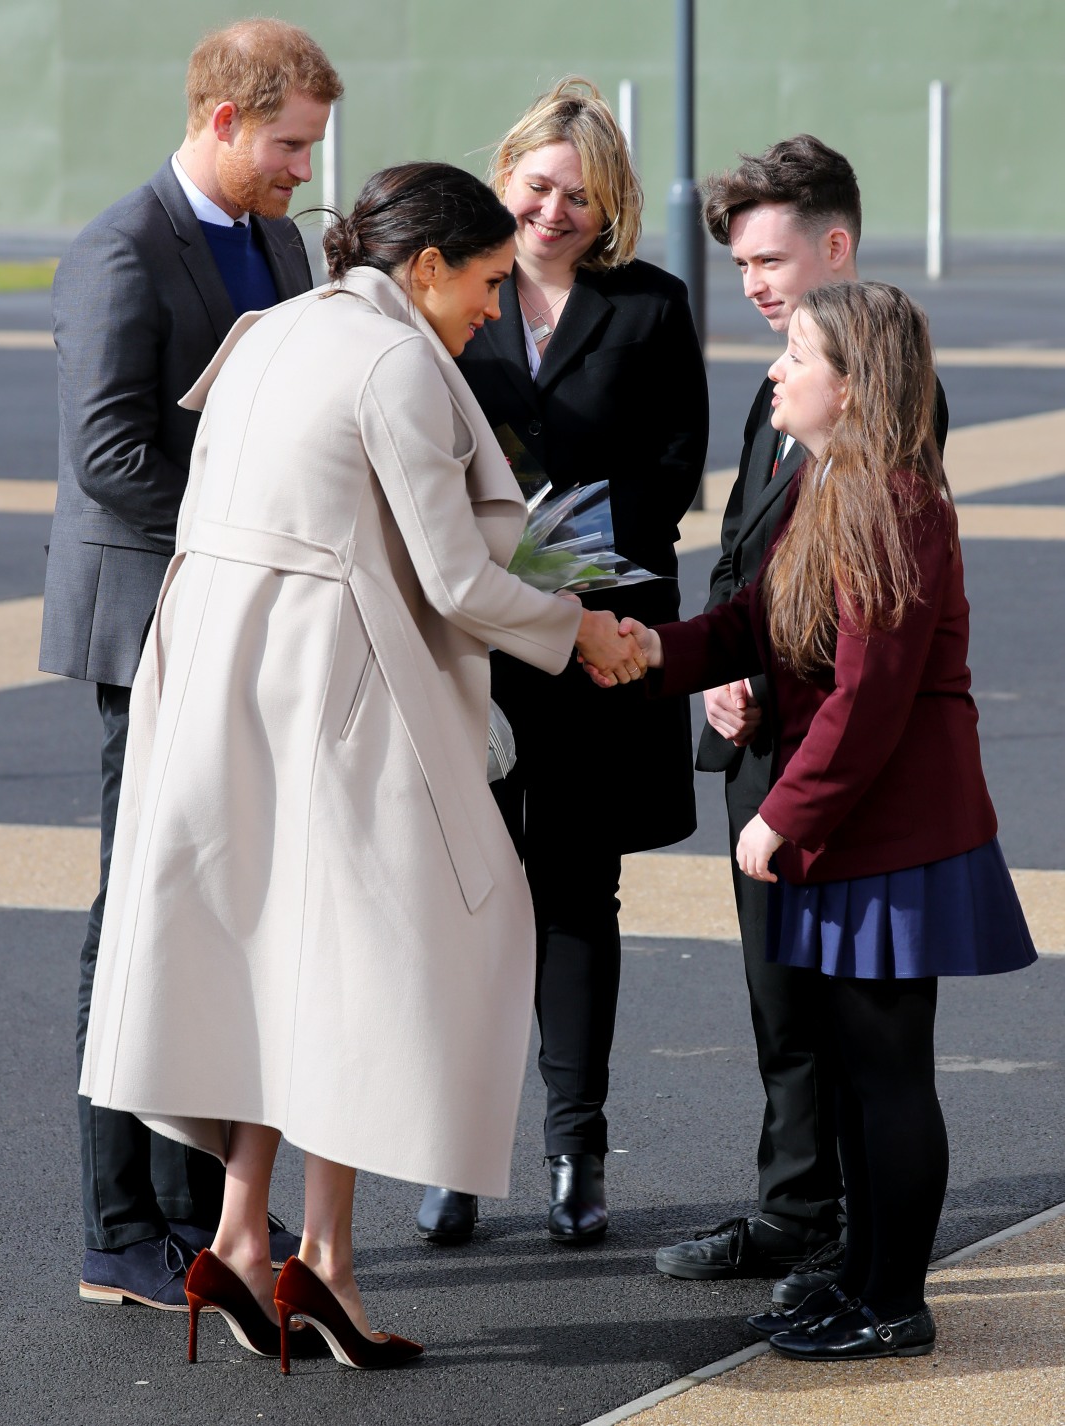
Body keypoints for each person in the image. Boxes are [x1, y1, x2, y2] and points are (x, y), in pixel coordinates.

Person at [79, 161, 647, 1369]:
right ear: (426, 264)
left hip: (224, 686)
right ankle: (320, 1261)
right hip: (338, 689)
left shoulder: (269, 330)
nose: (495, 307)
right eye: (487, 281)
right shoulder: (395, 361)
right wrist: (582, 629)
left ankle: (241, 1238)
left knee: (275, 962)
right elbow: (451, 577)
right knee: (378, 961)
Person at [608, 280, 1036, 1360]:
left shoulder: (890, 496)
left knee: (886, 1070)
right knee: (853, 1069)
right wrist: (657, 650)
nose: (771, 370)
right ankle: (853, 1275)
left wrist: (781, 816)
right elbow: (759, 618)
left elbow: (869, 693)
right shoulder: (832, 481)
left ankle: (893, 1301)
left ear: (847, 385)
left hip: (892, 836)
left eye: (793, 354)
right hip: (855, 831)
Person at [39, 18, 342, 1309]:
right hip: (152, 622)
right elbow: (109, 452)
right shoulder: (119, 248)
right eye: (287, 146)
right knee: (138, 922)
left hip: (241, 625)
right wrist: (252, 536)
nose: (301, 172)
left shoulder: (277, 240)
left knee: (218, 920)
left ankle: (196, 1210)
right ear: (222, 119)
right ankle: (120, 1228)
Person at [654, 135, 949, 1306]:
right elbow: (747, 562)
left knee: (863, 1044)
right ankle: (800, 1214)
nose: (755, 283)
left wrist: (764, 684)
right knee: (781, 1007)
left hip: (839, 767)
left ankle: (864, 1269)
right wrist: (704, 665)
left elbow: (872, 624)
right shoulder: (779, 383)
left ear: (836, 246)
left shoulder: (880, 403)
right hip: (761, 738)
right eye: (738, 264)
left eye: (771, 258)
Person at [414, 78, 708, 1246]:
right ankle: (449, 1153)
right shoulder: (444, 297)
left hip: (597, 637)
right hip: (472, 643)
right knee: (461, 900)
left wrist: (566, 560)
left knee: (578, 898)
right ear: (504, 178)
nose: (551, 212)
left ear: (611, 206)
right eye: (536, 186)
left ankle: (573, 1155)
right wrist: (502, 569)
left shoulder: (648, 306)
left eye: (577, 198)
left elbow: (671, 468)